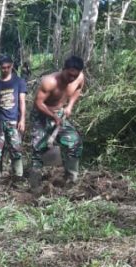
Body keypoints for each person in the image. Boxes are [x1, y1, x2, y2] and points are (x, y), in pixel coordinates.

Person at [28, 55, 85, 189]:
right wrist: (53, 117)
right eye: (69, 75)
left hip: (59, 113)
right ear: (63, 69)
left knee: (74, 143)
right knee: (38, 148)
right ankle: (35, 185)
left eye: (74, 76)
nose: (72, 78)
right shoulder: (50, 82)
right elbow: (38, 103)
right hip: (41, 115)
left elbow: (78, 89)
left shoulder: (79, 77)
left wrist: (70, 106)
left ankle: (71, 179)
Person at [0, 54, 28, 182]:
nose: (6, 70)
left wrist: (22, 120)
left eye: (8, 67)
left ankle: (18, 177)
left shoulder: (19, 82)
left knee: (16, 149)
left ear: (12, 66)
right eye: (3, 67)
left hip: (13, 121)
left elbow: (22, 101)